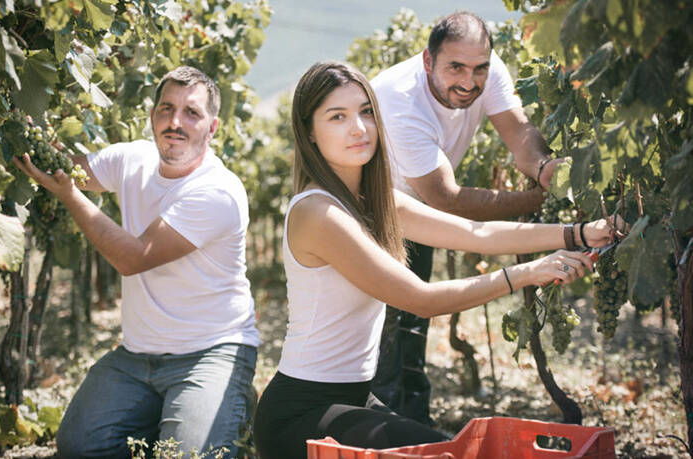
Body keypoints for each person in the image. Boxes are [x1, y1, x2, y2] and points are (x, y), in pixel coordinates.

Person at [251, 61, 624, 459]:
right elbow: (421, 299)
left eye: (366, 112)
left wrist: (578, 233)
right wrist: (525, 273)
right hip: (300, 414)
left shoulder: (374, 200)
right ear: (309, 131)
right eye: (337, 117)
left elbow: (474, 233)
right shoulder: (319, 213)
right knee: (450, 454)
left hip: (354, 399)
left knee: (449, 448)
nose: (359, 128)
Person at [13, 66, 259, 458]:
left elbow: (132, 258)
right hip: (137, 355)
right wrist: (24, 131)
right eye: (166, 109)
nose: (175, 122)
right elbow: (70, 168)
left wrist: (70, 195)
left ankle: (229, 401)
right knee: (78, 447)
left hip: (211, 352)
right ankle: (178, 413)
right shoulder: (133, 158)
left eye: (191, 113)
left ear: (212, 127)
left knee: (189, 456)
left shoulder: (217, 191)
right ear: (152, 115)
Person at [370, 11, 565, 424]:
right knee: (380, 339)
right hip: (370, 217)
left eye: (479, 69)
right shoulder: (400, 99)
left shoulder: (486, 70)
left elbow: (519, 135)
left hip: (417, 215)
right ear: (428, 61)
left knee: (412, 330)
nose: (468, 81)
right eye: (455, 67)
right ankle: (377, 436)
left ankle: (414, 431)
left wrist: (545, 167)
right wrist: (531, 200)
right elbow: (448, 199)